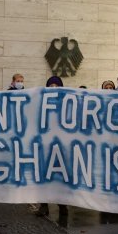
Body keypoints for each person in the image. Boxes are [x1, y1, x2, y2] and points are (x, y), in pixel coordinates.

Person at [35, 76, 69, 217]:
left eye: (57, 85)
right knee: (44, 176)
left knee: (60, 178)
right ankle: (44, 205)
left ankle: (63, 206)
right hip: (45, 146)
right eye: (51, 85)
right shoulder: (41, 103)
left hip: (62, 147)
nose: (54, 88)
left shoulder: (67, 103)